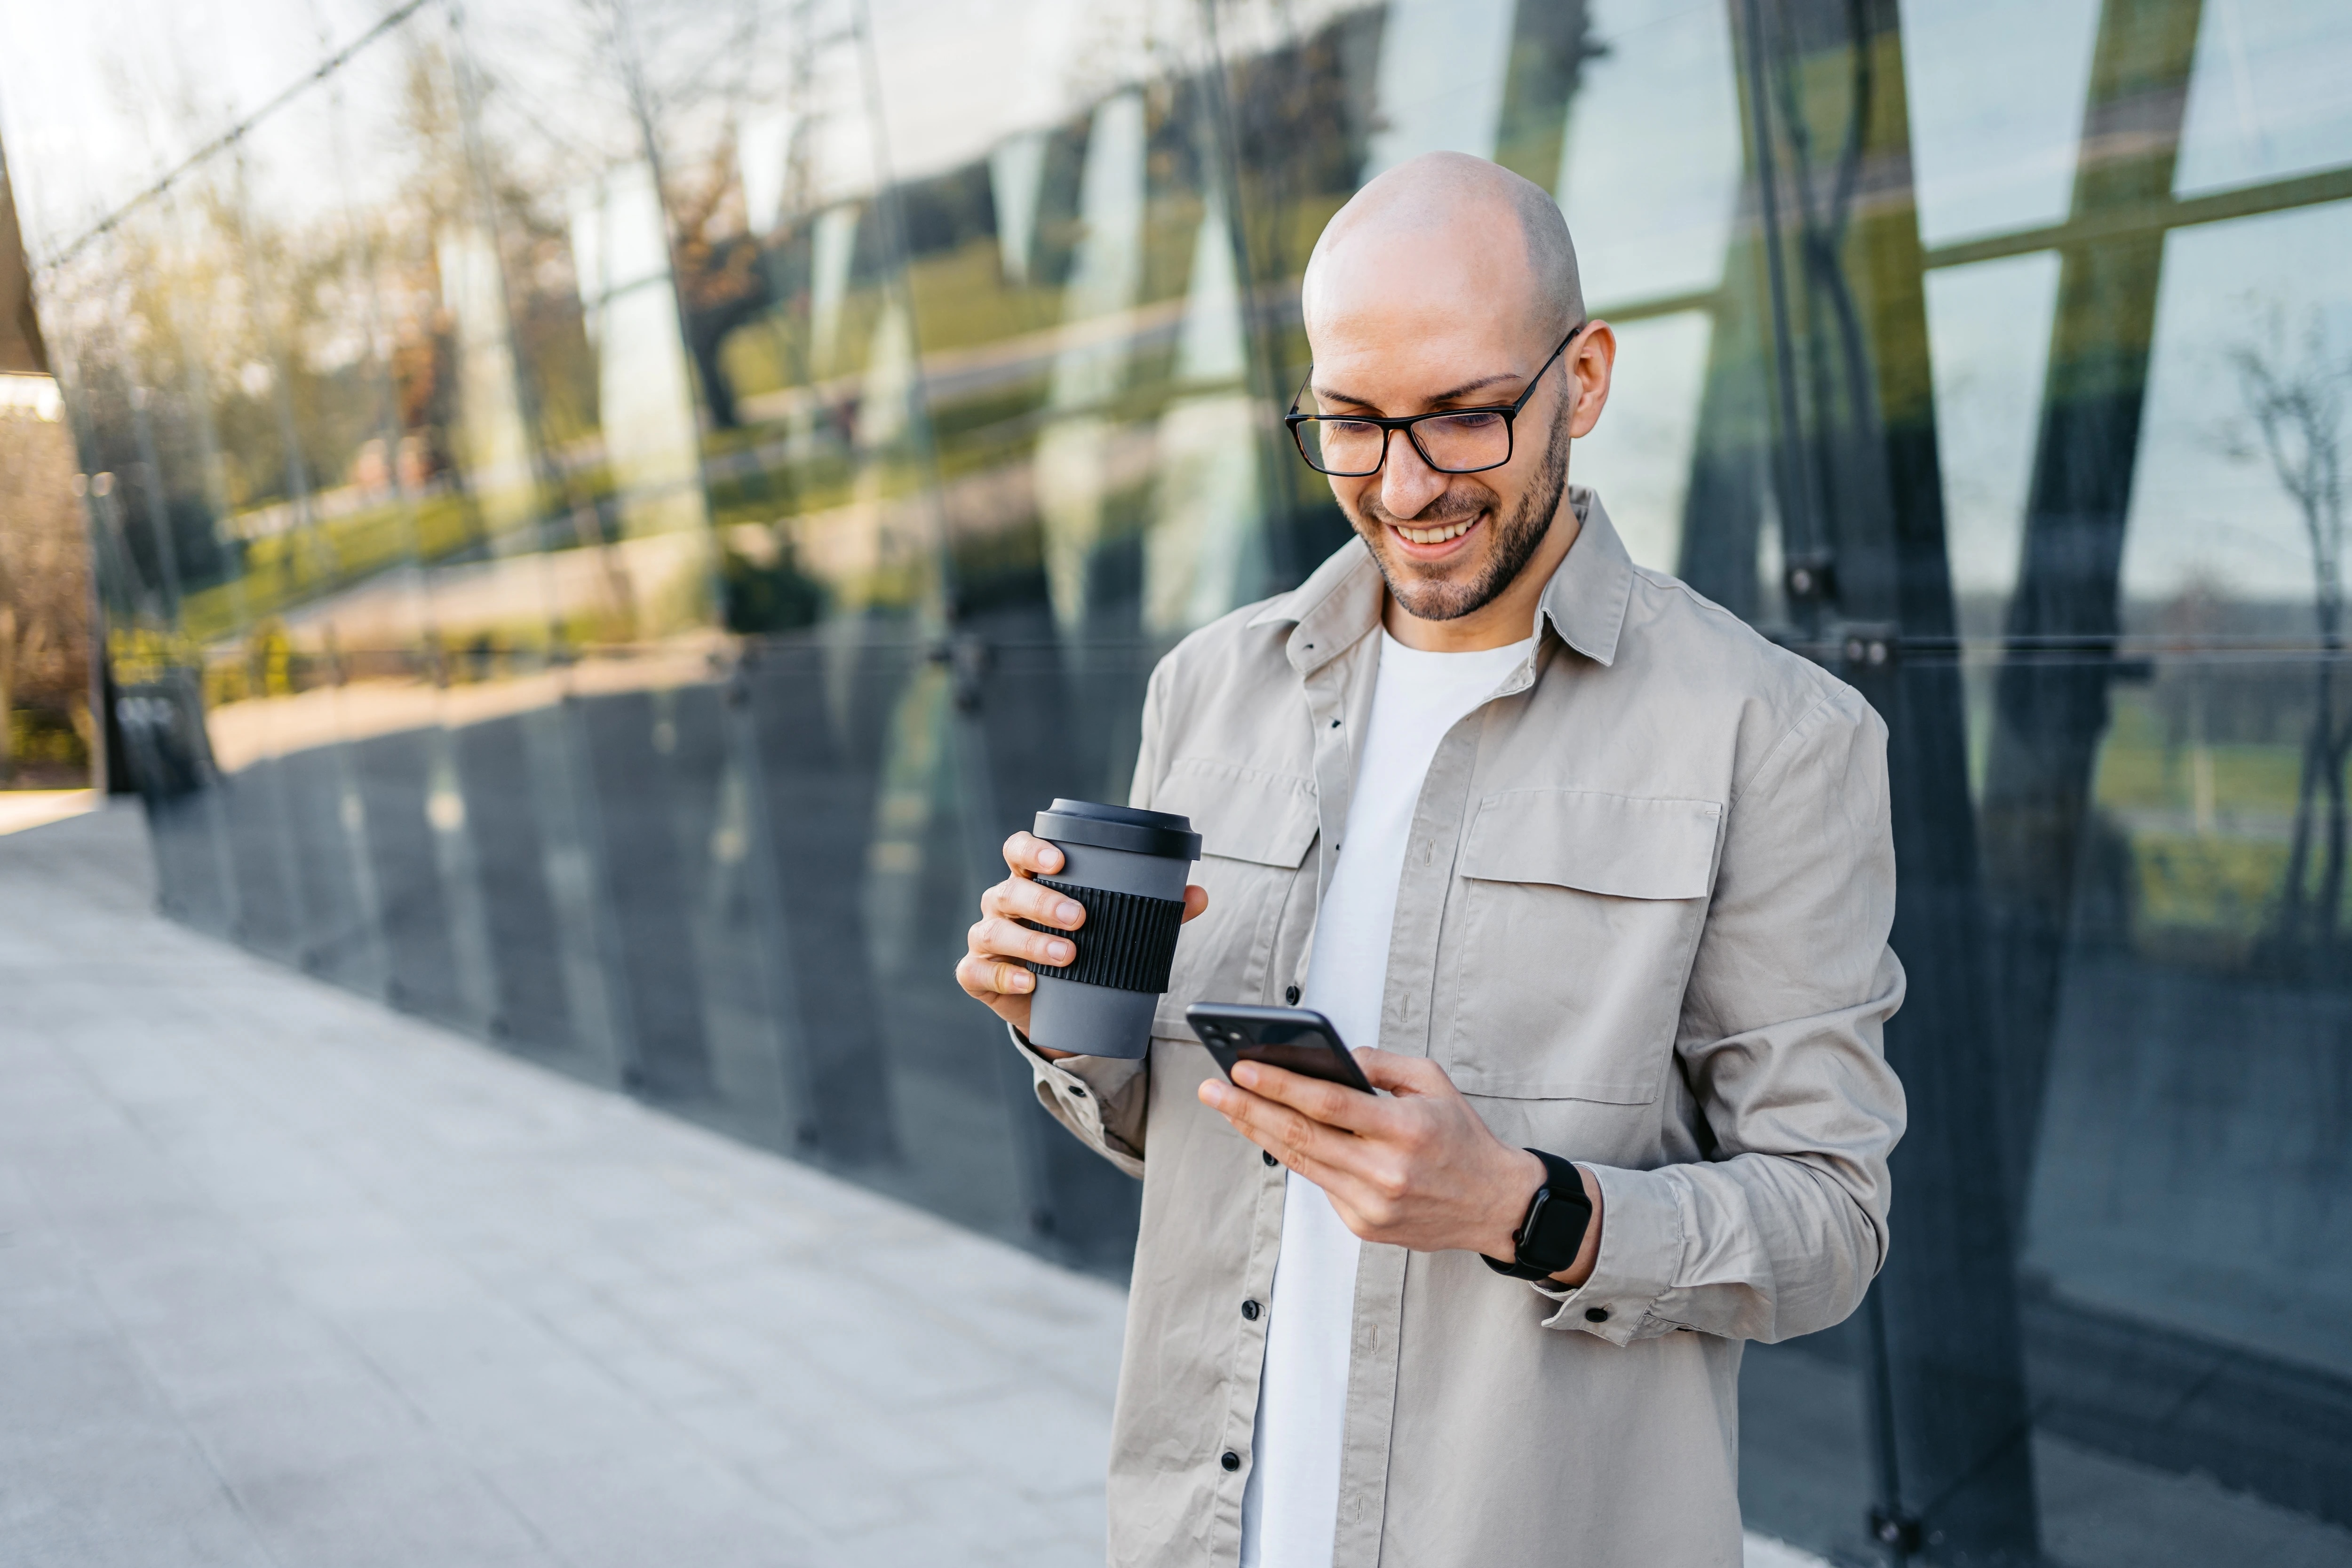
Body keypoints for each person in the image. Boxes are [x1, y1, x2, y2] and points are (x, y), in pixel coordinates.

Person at [956, 151, 1906, 1568]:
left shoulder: (1774, 735)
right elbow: (1188, 1143)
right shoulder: (1209, 690)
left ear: (1581, 380)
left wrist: (1526, 1208)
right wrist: (1061, 1030)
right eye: (1350, 423)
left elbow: (1830, 1224)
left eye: (1464, 417)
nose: (1404, 487)